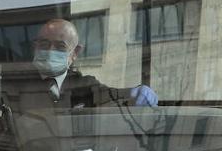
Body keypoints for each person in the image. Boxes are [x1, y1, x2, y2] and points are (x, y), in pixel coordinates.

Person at [25, 18, 158, 109]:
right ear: (34, 47)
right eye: (43, 44)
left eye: (60, 47)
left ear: (75, 53)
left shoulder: (86, 85)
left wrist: (137, 92)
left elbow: (113, 96)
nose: (50, 51)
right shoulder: (18, 82)